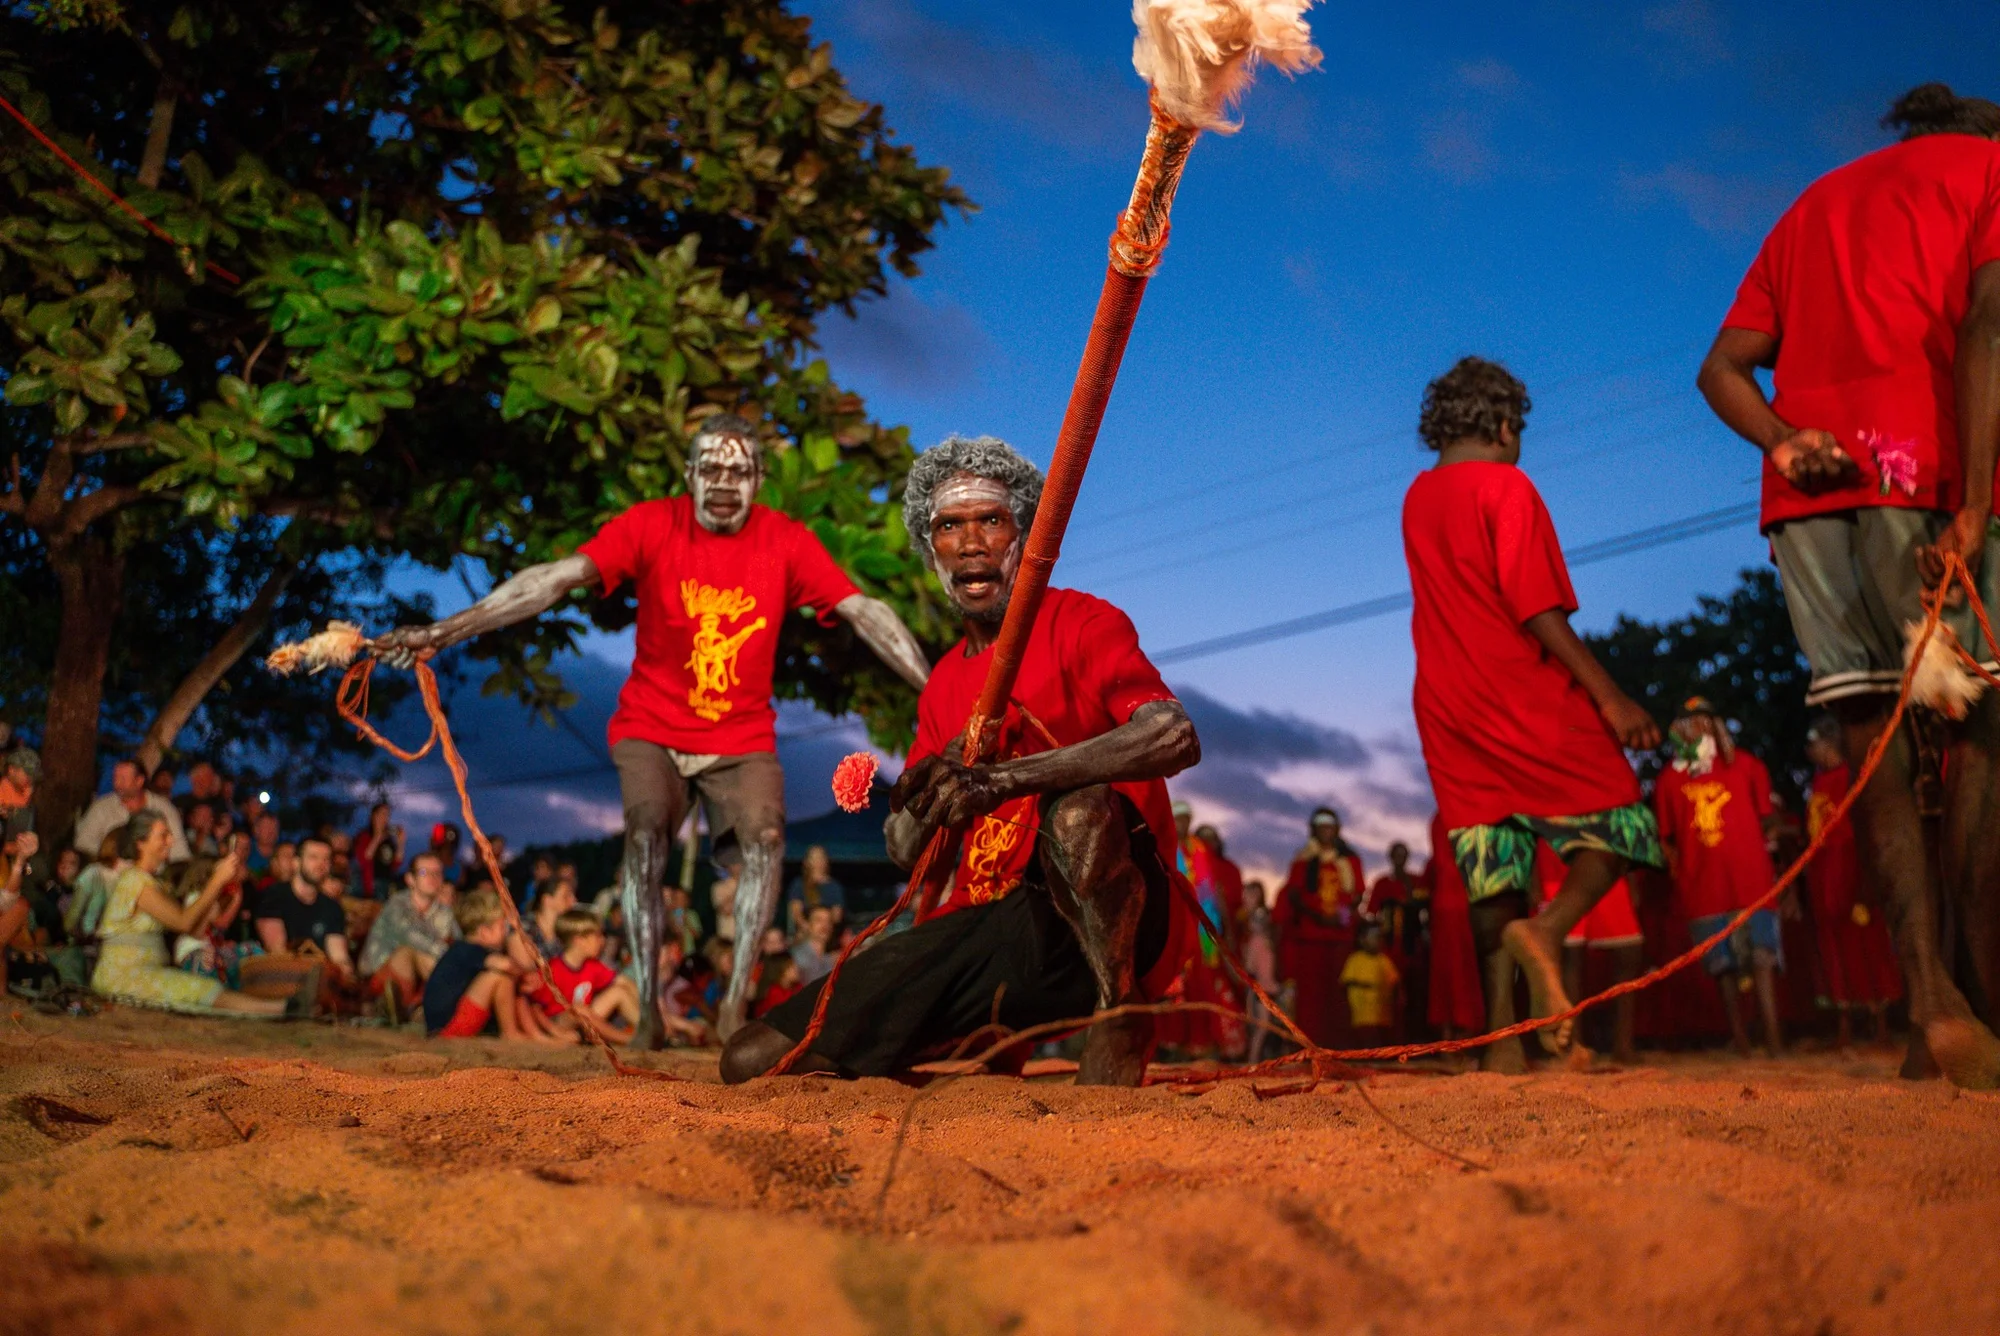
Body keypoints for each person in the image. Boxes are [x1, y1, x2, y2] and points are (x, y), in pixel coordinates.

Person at [379, 414, 933, 1045]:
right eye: (712, 470)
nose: (725, 484)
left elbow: (865, 610)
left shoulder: (785, 540)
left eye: (740, 472)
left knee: (767, 840)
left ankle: (733, 1012)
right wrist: (442, 631)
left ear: (759, 480)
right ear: (690, 474)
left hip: (740, 736)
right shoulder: (650, 524)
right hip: (652, 726)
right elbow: (554, 579)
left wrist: (940, 686)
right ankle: (646, 1015)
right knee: (645, 837)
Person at [722, 434, 1200, 1086]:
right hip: (986, 928)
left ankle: (1120, 1014)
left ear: (1026, 540)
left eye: (991, 520)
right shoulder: (945, 683)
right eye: (950, 525)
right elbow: (901, 851)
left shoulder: (1083, 622)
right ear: (931, 549)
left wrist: (998, 779)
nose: (971, 541)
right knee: (753, 1059)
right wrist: (931, 789)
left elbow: (1173, 735)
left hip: (1092, 917)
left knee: (1077, 811)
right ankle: (990, 1035)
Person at [1696, 83, 2000, 1086]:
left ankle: (1929, 1008)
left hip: (1813, 507)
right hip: (1938, 480)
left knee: (1872, 743)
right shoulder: (1992, 173)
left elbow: (1721, 370)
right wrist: (1969, 499)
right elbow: (1987, 329)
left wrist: (1785, 444)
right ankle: (1976, 998)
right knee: (1979, 735)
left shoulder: (1813, 202)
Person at [1402, 357, 1664, 1071]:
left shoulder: (1418, 497)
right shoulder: (1508, 486)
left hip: (1447, 704)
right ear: (1504, 424)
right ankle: (1547, 931)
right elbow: (1537, 607)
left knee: (1494, 862)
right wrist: (1610, 697)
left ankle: (1502, 1052)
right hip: (1519, 689)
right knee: (1623, 817)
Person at [1655, 701, 1785, 1057]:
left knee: (1761, 958)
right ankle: (1741, 1040)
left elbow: (1766, 817)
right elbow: (1666, 837)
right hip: (1702, 887)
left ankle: (1773, 1040)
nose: (1694, 730)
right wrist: (1679, 872)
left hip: (1751, 881)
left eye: (1701, 723)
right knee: (1722, 968)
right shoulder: (1670, 778)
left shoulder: (1746, 765)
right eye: (1686, 723)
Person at [89, 811, 294, 1016]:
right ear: (141, 843)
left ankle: (282, 1007)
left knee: (201, 990)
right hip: (124, 976)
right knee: (200, 990)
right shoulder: (135, 881)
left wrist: (222, 892)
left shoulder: (152, 882)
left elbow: (195, 930)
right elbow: (183, 922)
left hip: (143, 972)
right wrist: (216, 881)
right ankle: (283, 1009)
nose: (171, 841)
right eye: (163, 835)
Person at [1803, 717, 1904, 1046]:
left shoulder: (1852, 777)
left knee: (1868, 947)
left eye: (1814, 744)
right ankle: (1845, 1026)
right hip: (1824, 875)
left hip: (1851, 870)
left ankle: (1882, 1027)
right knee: (1836, 950)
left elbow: (1863, 831)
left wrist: (1865, 883)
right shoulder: (1819, 781)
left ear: (1828, 744)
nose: (1810, 751)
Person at [1537, 843, 1645, 1064]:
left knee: (1629, 950)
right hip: (1556, 868)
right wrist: (1533, 880)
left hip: (1605, 865)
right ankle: (1573, 1046)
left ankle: (1622, 1044)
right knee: (1569, 960)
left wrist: (1630, 878)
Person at [1273, 809, 1365, 1047]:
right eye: (1321, 825)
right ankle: (1310, 1045)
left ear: (1337, 829)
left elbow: (1357, 894)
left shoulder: (1350, 860)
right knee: (1311, 997)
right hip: (1311, 936)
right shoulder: (1303, 859)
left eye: (1330, 825)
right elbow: (1293, 893)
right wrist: (1318, 916)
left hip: (1340, 936)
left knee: (1338, 995)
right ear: (1312, 829)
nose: (1326, 830)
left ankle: (1339, 1046)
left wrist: (1339, 916)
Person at [422, 888, 563, 1042]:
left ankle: (533, 1034)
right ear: (484, 932)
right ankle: (510, 1033)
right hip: (447, 1029)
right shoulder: (468, 949)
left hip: (450, 1024)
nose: (505, 931)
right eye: (501, 926)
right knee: (500, 977)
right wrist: (526, 975)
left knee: (512, 981)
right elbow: (506, 965)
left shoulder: (468, 950)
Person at [357, 851, 460, 1019]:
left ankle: (421, 1007)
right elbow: (414, 938)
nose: (432, 878)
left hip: (424, 976)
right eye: (424, 873)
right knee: (408, 953)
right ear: (410, 879)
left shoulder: (444, 912)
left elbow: (458, 942)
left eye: (437, 873)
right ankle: (403, 1007)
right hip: (379, 978)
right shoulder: (397, 905)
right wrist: (453, 961)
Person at [533, 907, 643, 1040]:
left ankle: (648, 1030)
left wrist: (645, 1004)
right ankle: (629, 1040)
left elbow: (623, 981)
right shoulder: (552, 969)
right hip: (559, 1021)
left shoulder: (592, 966)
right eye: (597, 936)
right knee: (580, 1010)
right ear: (579, 941)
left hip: (587, 1021)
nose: (602, 941)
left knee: (619, 991)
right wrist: (554, 1031)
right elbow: (534, 1006)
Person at [253, 836, 352, 977]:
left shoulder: (332, 907)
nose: (321, 864)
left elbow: (339, 956)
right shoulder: (273, 896)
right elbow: (277, 952)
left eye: (326, 859)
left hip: (317, 982)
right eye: (313, 857)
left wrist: (346, 975)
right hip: (274, 980)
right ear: (296, 863)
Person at [1424, 813, 1485, 1043]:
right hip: (1457, 903)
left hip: (1457, 901)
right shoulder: (1450, 817)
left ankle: (1457, 1036)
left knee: (1455, 969)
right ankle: (1457, 1037)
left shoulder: (1444, 817)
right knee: (1457, 969)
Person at [73, 759, 189, 865]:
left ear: (139, 781)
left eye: (123, 779)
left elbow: (179, 850)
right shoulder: (102, 807)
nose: (117, 783)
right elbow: (83, 844)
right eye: (115, 778)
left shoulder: (164, 809)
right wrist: (108, 859)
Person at [1340, 923, 1401, 1047]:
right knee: (1365, 1038)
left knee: (1381, 1040)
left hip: (1382, 1013)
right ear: (1362, 939)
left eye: (1379, 937)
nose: (1377, 941)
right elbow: (1346, 982)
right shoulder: (1355, 959)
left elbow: (1395, 982)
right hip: (1362, 1013)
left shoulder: (1384, 960)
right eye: (1374, 937)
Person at [785, 845, 846, 936]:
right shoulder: (798, 885)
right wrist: (810, 931)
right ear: (806, 862)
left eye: (821, 857)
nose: (819, 861)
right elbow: (796, 914)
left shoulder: (834, 886)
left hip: (829, 934)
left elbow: (837, 916)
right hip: (805, 934)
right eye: (815, 858)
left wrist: (824, 929)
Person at [354, 801, 404, 900]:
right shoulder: (364, 835)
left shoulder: (388, 840)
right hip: (370, 884)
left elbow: (395, 864)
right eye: (382, 814)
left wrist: (400, 843)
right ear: (373, 816)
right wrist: (377, 837)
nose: (385, 818)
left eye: (387, 815)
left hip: (386, 882)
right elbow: (363, 860)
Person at [790, 903, 838, 984]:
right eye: (818, 920)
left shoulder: (832, 957)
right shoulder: (796, 956)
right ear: (807, 924)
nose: (825, 925)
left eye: (829, 921)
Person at [245, 813, 281, 879]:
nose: (271, 831)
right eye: (267, 827)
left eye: (275, 827)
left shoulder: (282, 852)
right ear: (256, 830)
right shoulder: (246, 850)